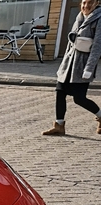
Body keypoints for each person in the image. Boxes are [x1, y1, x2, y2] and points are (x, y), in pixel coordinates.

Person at [43, 0, 101, 135]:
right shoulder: (79, 16)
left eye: (89, 3)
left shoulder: (98, 18)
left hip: (82, 65)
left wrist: (89, 68)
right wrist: (63, 63)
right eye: (84, 2)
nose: (85, 6)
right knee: (60, 92)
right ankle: (59, 125)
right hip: (69, 63)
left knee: (79, 98)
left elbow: (97, 46)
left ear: (96, 3)